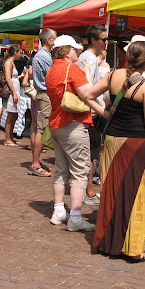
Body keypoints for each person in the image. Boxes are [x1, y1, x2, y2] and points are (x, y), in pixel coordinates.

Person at [86, 40, 145, 261]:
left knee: (111, 190)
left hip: (112, 139)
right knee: (135, 193)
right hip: (136, 144)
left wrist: (105, 113)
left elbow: (88, 95)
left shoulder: (113, 76)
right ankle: (133, 246)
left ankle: (109, 241)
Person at [46, 35, 107, 232]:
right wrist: (88, 72)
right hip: (73, 124)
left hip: (56, 123)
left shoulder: (52, 70)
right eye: (75, 49)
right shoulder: (72, 69)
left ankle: (58, 211)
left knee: (61, 169)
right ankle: (75, 216)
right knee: (80, 171)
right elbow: (89, 92)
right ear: (66, 51)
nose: (78, 52)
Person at [77, 24, 109, 205]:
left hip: (91, 110)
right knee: (91, 152)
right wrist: (101, 107)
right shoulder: (89, 57)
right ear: (93, 40)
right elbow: (90, 87)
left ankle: (87, 189)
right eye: (103, 39)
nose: (106, 42)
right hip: (91, 112)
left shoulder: (88, 57)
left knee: (90, 152)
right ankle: (89, 190)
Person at [29, 28, 57, 177]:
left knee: (40, 128)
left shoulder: (41, 55)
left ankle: (36, 162)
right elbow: (52, 76)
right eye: (55, 38)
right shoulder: (44, 56)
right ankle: (35, 164)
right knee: (42, 129)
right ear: (49, 40)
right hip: (45, 94)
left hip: (43, 94)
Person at [2, 45, 24, 147]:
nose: (21, 55)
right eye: (20, 52)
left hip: (15, 90)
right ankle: (7, 139)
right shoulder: (8, 62)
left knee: (15, 115)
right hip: (12, 91)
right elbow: (8, 78)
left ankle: (10, 137)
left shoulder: (12, 63)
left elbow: (13, 78)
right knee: (11, 115)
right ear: (15, 52)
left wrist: (20, 76)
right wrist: (14, 92)